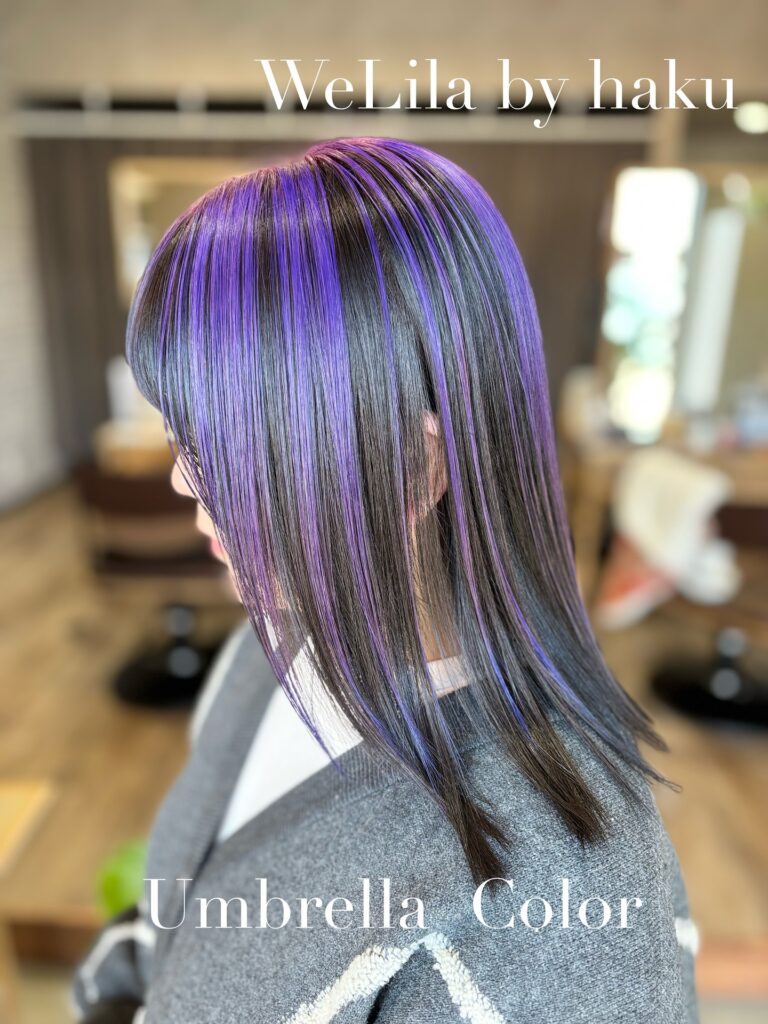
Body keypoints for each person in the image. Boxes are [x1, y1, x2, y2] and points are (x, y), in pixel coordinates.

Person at [72, 137, 698, 1023]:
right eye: (182, 435)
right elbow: (168, 929)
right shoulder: (267, 650)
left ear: (414, 464)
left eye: (221, 445)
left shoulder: (568, 894)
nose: (182, 479)